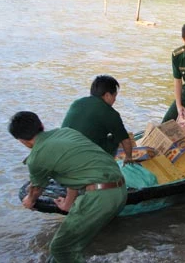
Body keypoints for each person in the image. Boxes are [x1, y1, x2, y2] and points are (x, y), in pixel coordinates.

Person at [8, 111, 127, 263]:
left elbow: (36, 188)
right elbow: (74, 173)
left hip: (99, 197)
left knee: (60, 248)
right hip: (120, 190)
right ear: (41, 125)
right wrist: (68, 203)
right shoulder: (66, 132)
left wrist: (29, 200)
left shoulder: (36, 158)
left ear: (21, 141)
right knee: (67, 248)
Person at [62, 75, 134, 163]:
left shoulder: (77, 103)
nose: (115, 100)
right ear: (107, 95)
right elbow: (125, 140)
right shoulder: (110, 113)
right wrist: (129, 158)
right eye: (114, 96)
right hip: (82, 156)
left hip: (62, 151)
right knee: (117, 137)